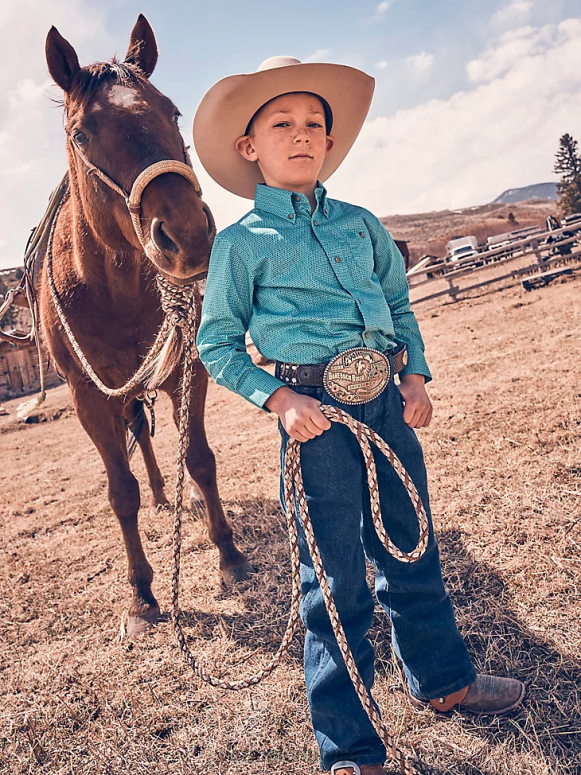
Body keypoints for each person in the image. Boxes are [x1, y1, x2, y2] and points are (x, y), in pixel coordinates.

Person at [193, 57, 525, 775]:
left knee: (412, 544)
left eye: (314, 122)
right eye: (281, 122)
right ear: (248, 146)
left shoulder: (362, 225)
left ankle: (442, 682)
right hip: (314, 418)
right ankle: (350, 749)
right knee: (333, 582)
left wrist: (413, 374)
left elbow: (400, 308)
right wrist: (279, 401)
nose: (301, 133)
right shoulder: (240, 244)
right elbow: (216, 344)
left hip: (385, 402)